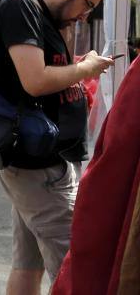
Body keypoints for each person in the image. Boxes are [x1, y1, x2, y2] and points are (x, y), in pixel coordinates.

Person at [0, 0, 112, 293]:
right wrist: (86, 69)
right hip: (35, 164)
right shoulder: (21, 7)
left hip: (41, 160)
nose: (85, 16)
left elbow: (49, 73)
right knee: (74, 267)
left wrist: (77, 58)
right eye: (86, 5)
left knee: (29, 264)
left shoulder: (46, 17)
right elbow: (36, 80)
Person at [52, 55, 140, 295]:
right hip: (36, 156)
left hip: (46, 155)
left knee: (28, 259)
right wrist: (84, 68)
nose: (84, 15)